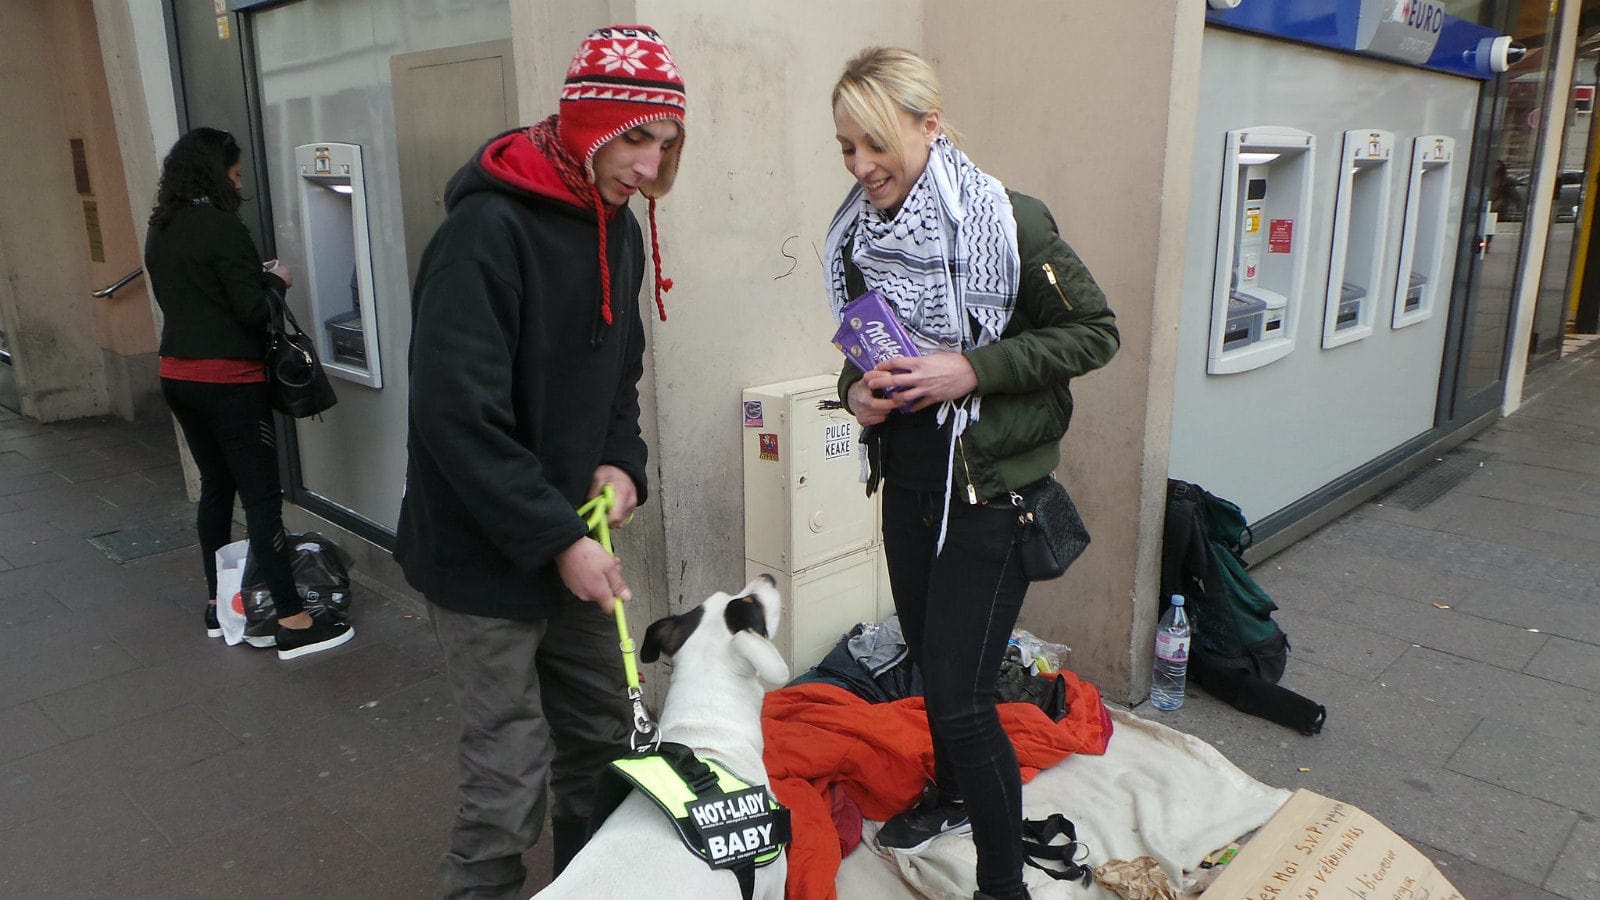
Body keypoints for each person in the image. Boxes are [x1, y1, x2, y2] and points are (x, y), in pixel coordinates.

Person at [391, 24, 685, 900]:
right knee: (508, 769)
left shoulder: (618, 228)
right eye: (635, 138)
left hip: (570, 543)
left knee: (605, 742)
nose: (648, 164)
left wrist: (620, 464)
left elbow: (618, 377)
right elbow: (455, 415)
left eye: (665, 143)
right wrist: (559, 535)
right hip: (482, 554)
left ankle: (586, 886)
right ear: (588, 123)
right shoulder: (485, 232)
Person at [824, 48, 1119, 900]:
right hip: (909, 482)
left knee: (958, 695)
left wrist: (973, 369)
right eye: (846, 147)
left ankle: (1002, 888)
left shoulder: (1009, 222)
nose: (860, 166)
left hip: (992, 495)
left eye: (875, 143)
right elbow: (851, 342)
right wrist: (856, 394)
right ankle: (951, 791)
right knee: (929, 663)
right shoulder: (856, 236)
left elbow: (1095, 332)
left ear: (929, 126)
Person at [144, 127, 355, 661]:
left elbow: (197, 296)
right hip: (228, 384)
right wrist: (277, 281)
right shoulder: (223, 228)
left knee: (217, 487)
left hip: (178, 376)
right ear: (217, 174)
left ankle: (219, 605)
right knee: (262, 500)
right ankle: (291, 618)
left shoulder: (161, 228)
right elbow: (252, 311)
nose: (239, 184)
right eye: (235, 175)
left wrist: (248, 280)